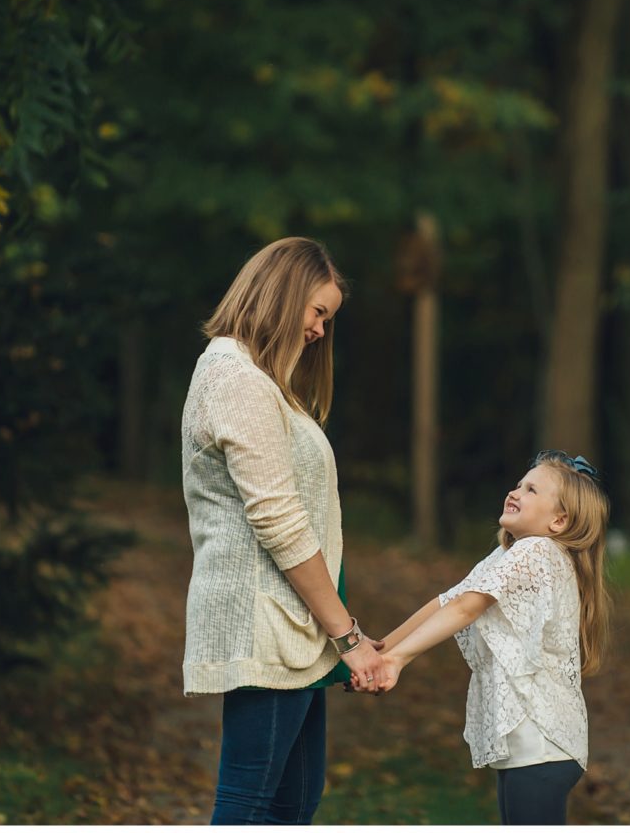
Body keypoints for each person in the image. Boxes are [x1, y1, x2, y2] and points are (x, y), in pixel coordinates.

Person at [181, 237, 378, 825]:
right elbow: (279, 520)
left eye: (328, 319)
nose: (319, 330)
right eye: (317, 312)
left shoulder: (261, 381)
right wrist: (348, 637)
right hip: (266, 623)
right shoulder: (236, 378)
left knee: (293, 803)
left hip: (295, 629)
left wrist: (336, 634)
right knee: (250, 805)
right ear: (283, 293)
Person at [352, 451, 610, 828]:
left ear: (559, 520)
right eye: (519, 484)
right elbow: (448, 601)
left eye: (532, 489)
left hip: (541, 745)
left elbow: (465, 609)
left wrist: (397, 660)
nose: (515, 492)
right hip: (534, 748)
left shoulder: (536, 551)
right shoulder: (512, 553)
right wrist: (382, 650)